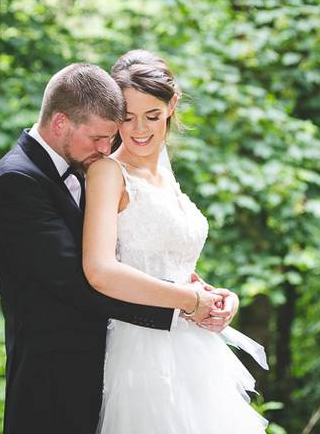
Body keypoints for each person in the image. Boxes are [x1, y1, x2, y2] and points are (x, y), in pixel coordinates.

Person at [0, 63, 227, 434]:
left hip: (121, 358)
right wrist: (183, 305)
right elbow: (79, 279)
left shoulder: (84, 161)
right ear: (61, 123)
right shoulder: (15, 181)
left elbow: (132, 251)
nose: (106, 149)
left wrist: (201, 293)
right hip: (54, 374)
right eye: (98, 138)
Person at [83, 50, 268, 433]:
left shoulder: (166, 176)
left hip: (196, 353)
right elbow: (100, 270)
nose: (139, 130)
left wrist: (216, 297)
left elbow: (168, 262)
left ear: (172, 105)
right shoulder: (107, 172)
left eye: (152, 116)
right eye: (127, 118)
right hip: (142, 353)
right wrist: (190, 300)